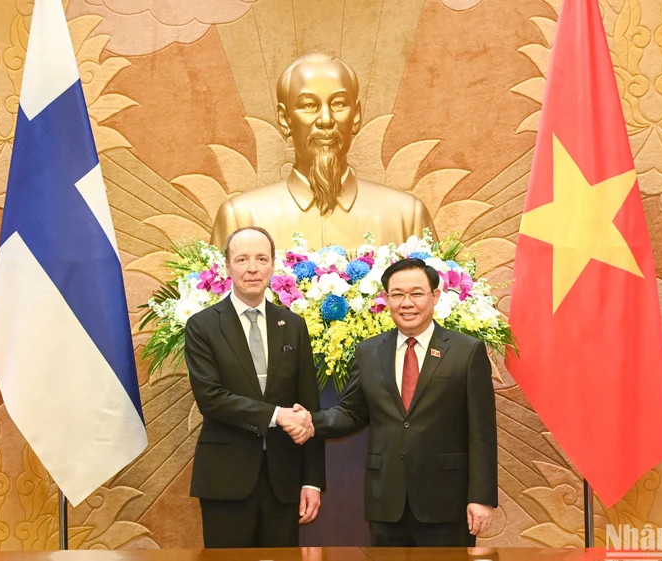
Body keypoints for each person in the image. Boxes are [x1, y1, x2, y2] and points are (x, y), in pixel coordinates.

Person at [292, 258, 497, 546]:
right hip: (386, 502)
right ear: (386, 299)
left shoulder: (466, 351)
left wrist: (481, 498)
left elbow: (482, 433)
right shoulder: (369, 351)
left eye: (416, 293)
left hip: (446, 502)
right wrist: (311, 421)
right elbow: (351, 413)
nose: (407, 303)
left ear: (435, 296)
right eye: (397, 294)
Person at [184, 226, 325, 548]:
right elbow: (211, 399)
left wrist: (313, 481)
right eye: (242, 259)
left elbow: (308, 408)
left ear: (273, 265)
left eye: (261, 259)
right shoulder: (203, 326)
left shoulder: (292, 325)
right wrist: (278, 415)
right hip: (225, 478)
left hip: (284, 479)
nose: (252, 268)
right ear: (227, 266)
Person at [211, 53, 437, 250]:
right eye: (309, 105)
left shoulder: (407, 218)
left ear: (356, 116)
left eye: (338, 104)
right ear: (284, 119)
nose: (326, 120)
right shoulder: (241, 218)